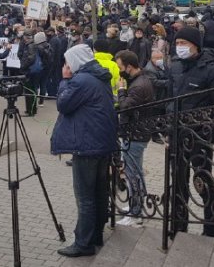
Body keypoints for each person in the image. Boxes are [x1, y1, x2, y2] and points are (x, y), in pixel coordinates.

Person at [51, 44, 118, 258]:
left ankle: (83, 243)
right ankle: (95, 234)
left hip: (87, 144)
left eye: (67, 62)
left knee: (85, 196)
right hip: (101, 142)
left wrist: (65, 79)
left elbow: (63, 104)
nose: (66, 66)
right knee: (99, 192)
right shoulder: (99, 76)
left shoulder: (80, 80)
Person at [167, 26, 214, 237]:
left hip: (199, 137)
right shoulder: (175, 67)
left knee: (203, 181)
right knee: (178, 183)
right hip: (177, 134)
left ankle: (211, 228)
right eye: (177, 43)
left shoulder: (213, 70)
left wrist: (211, 137)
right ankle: (178, 225)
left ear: (196, 45)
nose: (179, 47)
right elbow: (168, 99)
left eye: (183, 43)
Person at [114, 50, 154, 227]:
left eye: (120, 67)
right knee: (133, 172)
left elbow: (125, 107)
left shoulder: (138, 85)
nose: (119, 70)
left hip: (135, 134)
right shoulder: (140, 80)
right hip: (136, 133)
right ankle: (135, 205)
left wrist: (122, 90)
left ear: (129, 67)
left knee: (133, 174)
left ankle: (135, 212)